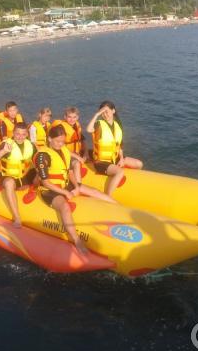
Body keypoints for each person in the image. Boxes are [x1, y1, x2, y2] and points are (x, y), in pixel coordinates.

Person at [35, 125, 116, 254]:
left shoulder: (64, 151)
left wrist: (77, 186)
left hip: (66, 184)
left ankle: (119, 207)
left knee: (94, 192)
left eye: (63, 141)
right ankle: (77, 241)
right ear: (49, 139)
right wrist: (65, 192)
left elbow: (70, 172)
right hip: (50, 190)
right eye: (58, 141)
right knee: (65, 207)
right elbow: (45, 182)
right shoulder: (42, 156)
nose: (61, 144)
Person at [86, 101, 143, 195]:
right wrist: (97, 114)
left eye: (107, 111)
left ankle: (132, 187)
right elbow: (88, 129)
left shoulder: (117, 125)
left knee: (139, 164)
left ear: (113, 111)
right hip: (101, 162)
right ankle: (108, 197)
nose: (105, 114)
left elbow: (119, 145)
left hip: (115, 158)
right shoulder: (99, 124)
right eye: (103, 112)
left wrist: (121, 158)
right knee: (119, 172)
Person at [0, 122, 37, 227]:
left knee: (41, 172)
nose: (20, 137)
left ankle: (35, 191)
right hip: (9, 176)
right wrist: (3, 151)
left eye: (23, 134)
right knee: (9, 183)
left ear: (27, 134)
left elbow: (38, 159)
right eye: (18, 134)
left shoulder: (30, 145)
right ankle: (17, 217)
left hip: (25, 175)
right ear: (13, 133)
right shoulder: (7, 144)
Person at [51, 106, 86, 183]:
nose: (72, 119)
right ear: (65, 117)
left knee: (79, 161)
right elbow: (61, 147)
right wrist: (78, 157)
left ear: (77, 117)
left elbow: (82, 140)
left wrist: (86, 154)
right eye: (69, 117)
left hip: (73, 153)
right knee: (76, 163)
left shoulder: (76, 126)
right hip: (62, 154)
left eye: (74, 117)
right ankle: (78, 185)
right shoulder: (61, 128)